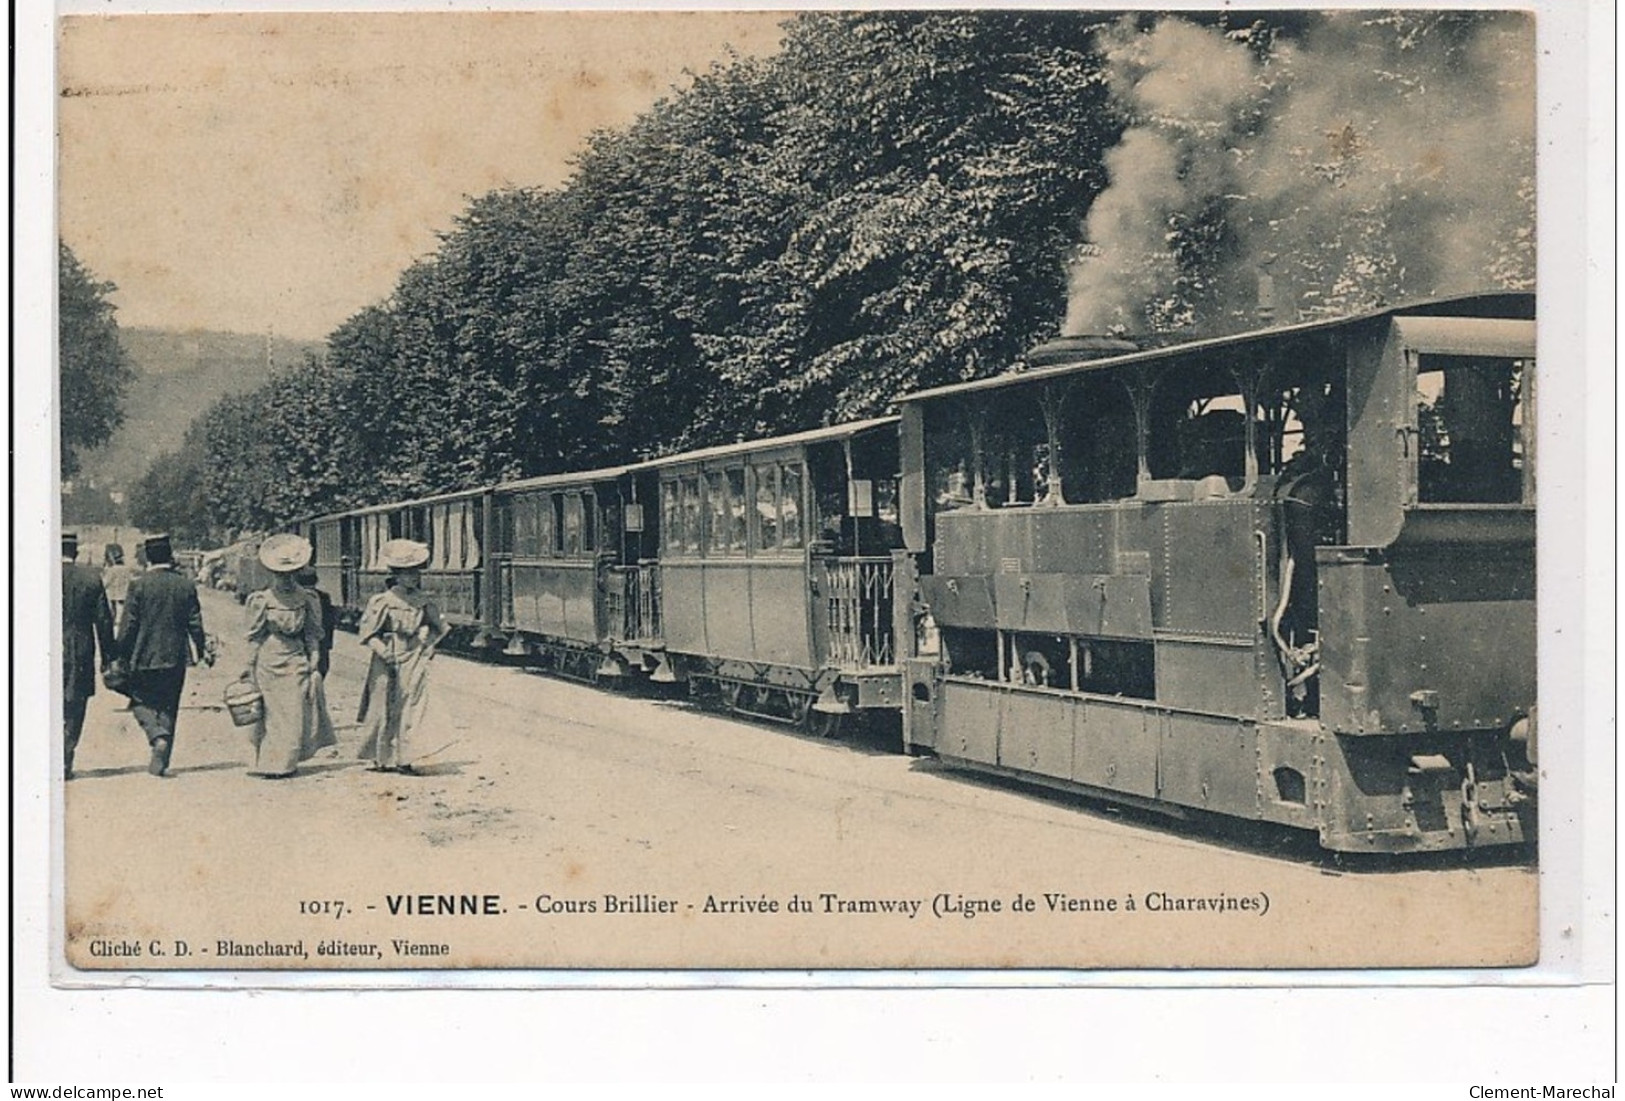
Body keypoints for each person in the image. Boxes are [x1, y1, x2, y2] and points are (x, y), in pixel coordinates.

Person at [116, 533, 212, 776]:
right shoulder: (185, 584)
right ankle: (162, 758)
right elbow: (195, 623)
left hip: (144, 655)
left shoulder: (139, 584)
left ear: (148, 557)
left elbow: (128, 625)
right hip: (176, 656)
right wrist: (201, 651)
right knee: (169, 705)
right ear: (169, 555)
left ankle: (155, 735)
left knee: (139, 700)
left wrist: (120, 654)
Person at [241, 535, 331, 778]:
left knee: (293, 711)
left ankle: (286, 762)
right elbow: (254, 636)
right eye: (281, 574)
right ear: (271, 574)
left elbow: (313, 633)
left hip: (296, 659)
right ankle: (269, 761)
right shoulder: (262, 600)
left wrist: (314, 662)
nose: (286, 579)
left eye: (291, 574)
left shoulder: (307, 598)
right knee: (271, 713)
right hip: (269, 660)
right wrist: (248, 666)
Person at [357, 539, 449, 774]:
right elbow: (368, 633)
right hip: (386, 657)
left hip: (413, 657)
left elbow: (439, 627)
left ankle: (405, 758)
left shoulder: (423, 601)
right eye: (407, 573)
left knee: (412, 707)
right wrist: (382, 650)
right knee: (384, 707)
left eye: (416, 572)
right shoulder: (382, 602)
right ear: (396, 575)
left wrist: (426, 645)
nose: (413, 577)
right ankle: (381, 758)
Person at [62, 532, 115, 780]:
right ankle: (65, 754)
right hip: (80, 648)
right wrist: (108, 656)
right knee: (76, 701)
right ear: (76, 552)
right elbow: (104, 621)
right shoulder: (91, 579)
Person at [296, 564, 339, 757]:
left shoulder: (297, 598)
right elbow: (330, 624)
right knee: (318, 681)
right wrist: (327, 646)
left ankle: (307, 723)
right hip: (321, 648)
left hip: (304, 649)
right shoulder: (324, 597)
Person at [101, 543, 139, 629]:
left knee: (114, 613)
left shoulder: (111, 570)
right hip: (124, 595)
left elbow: (105, 582)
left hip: (113, 596)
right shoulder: (127, 569)